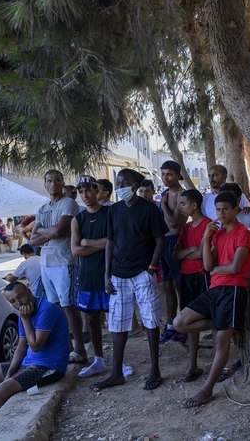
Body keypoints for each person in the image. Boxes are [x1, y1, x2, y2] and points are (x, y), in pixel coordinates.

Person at [173, 191, 250, 408]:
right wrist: (206, 238)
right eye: (218, 209)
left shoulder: (244, 233)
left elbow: (235, 268)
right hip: (216, 288)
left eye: (226, 209)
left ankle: (207, 389)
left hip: (234, 289)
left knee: (220, 341)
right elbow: (208, 265)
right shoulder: (217, 234)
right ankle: (226, 322)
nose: (221, 213)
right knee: (180, 323)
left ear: (236, 210)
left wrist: (217, 270)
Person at [90, 168, 167, 392]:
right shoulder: (114, 210)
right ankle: (116, 373)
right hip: (118, 274)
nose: (120, 185)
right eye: (118, 181)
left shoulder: (149, 209)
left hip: (143, 272)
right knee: (117, 323)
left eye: (124, 182)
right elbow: (110, 243)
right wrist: (107, 274)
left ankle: (155, 370)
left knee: (151, 320)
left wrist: (152, 268)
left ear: (135, 184)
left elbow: (160, 240)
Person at [30, 169, 87, 365]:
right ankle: (67, 348)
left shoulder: (68, 203)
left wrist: (44, 232)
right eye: (49, 180)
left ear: (62, 182)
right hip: (46, 262)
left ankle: (79, 349)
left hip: (64, 261)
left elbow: (60, 230)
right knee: (55, 307)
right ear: (45, 184)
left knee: (69, 306)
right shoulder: (42, 209)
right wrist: (50, 233)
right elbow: (33, 239)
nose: (53, 184)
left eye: (57, 180)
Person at [0, 282, 68, 414]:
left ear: (29, 292)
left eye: (20, 296)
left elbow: (35, 346)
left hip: (50, 367)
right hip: (29, 364)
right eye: (13, 301)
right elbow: (21, 347)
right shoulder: (24, 313)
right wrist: (9, 374)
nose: (18, 302)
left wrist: (25, 318)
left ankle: (7, 425)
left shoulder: (47, 310)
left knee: (1, 390)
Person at [70, 176, 110, 378]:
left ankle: (121, 361)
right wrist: (98, 244)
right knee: (93, 320)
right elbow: (75, 250)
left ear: (97, 190)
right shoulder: (78, 219)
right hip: (87, 276)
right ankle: (99, 360)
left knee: (118, 319)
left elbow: (116, 242)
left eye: (88, 190)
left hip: (110, 274)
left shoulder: (110, 213)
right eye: (81, 192)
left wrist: (87, 242)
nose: (84, 196)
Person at [172, 189, 212, 383]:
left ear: (194, 205)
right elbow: (176, 254)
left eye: (183, 204)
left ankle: (216, 363)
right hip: (187, 276)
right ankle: (192, 363)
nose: (180, 208)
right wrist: (192, 251)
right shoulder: (186, 229)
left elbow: (204, 255)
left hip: (202, 274)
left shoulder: (208, 225)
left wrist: (190, 252)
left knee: (211, 315)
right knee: (189, 320)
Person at [159, 160, 188, 345]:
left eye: (169, 174)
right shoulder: (165, 194)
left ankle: (184, 326)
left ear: (178, 175)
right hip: (163, 242)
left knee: (180, 286)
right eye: (163, 174)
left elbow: (174, 223)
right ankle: (170, 325)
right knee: (166, 286)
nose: (165, 177)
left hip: (176, 242)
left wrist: (163, 205)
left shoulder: (182, 195)